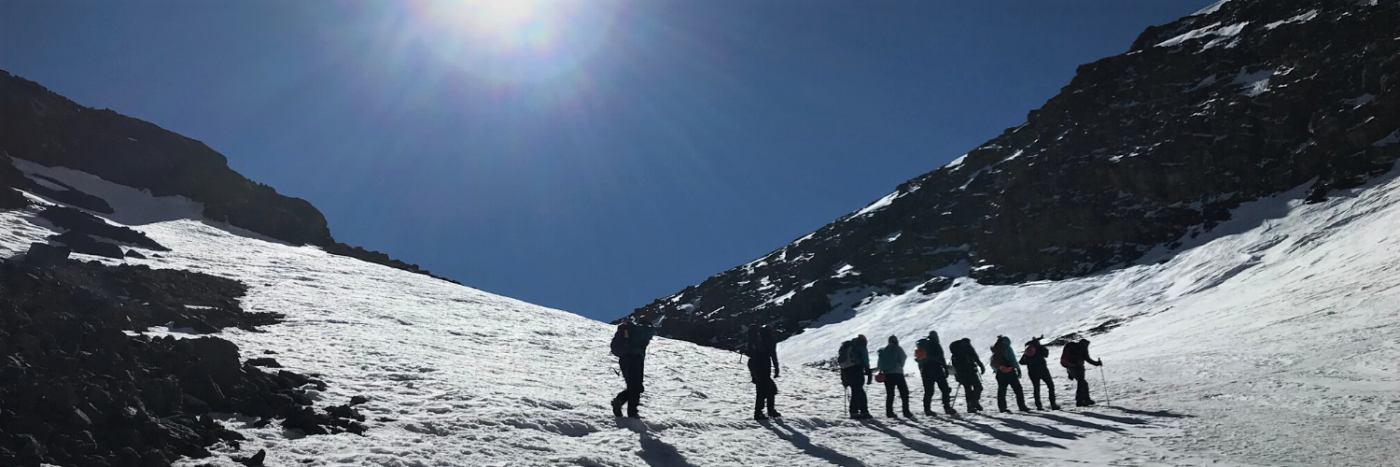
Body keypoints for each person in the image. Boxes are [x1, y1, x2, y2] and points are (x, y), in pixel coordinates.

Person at [610, 315, 656, 418]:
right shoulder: (645, 328)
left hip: (624, 359)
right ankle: (632, 411)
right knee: (636, 386)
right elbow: (649, 333)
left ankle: (620, 401)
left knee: (632, 385)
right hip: (635, 358)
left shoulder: (632, 329)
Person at [915, 331, 956, 416]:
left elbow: (920, 360)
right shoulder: (936, 344)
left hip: (925, 370)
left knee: (928, 391)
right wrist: (945, 369)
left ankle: (927, 409)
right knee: (944, 389)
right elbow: (941, 357)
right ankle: (947, 407)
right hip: (936, 369)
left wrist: (921, 371)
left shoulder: (923, 345)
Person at [746, 325, 781, 420]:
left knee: (763, 388)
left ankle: (766, 411)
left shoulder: (756, 339)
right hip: (764, 365)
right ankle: (761, 412)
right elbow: (773, 354)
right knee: (768, 389)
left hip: (754, 364)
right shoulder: (769, 338)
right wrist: (776, 368)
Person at [990, 336, 1030, 413]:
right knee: (1018, 389)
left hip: (1000, 373)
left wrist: (998, 369)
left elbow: (993, 362)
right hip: (1010, 371)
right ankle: (1022, 406)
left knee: (1002, 390)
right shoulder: (1007, 347)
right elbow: (1012, 359)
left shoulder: (995, 349)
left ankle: (1002, 408)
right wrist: (1017, 369)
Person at [877, 336, 913, 418]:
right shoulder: (898, 348)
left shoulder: (883, 350)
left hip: (887, 375)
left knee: (890, 394)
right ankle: (906, 411)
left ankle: (889, 412)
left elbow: (879, 364)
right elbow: (903, 357)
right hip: (898, 373)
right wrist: (900, 365)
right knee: (904, 393)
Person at [1019, 336, 1060, 410]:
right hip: (1043, 370)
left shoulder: (1028, 351)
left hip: (1032, 372)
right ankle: (1053, 404)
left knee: (1036, 388)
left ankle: (1038, 405)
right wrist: (1041, 346)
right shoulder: (1039, 349)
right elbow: (1046, 354)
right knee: (1050, 386)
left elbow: (1021, 362)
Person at [838, 335, 873, 419]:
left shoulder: (847, 346)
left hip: (846, 371)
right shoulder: (860, 345)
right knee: (857, 391)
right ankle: (857, 412)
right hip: (856, 369)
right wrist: (867, 370)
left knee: (857, 390)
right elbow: (865, 358)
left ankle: (861, 411)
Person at [1061, 339, 1103, 407]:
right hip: (1078, 368)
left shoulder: (1074, 347)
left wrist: (1069, 373)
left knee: (1083, 383)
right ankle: (1080, 401)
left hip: (1071, 368)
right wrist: (1097, 363)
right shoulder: (1082, 349)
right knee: (1081, 382)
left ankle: (1086, 399)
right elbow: (1088, 359)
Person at [949, 338, 985, 413]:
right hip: (971, 371)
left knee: (968, 389)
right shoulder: (968, 348)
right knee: (978, 387)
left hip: (961, 373)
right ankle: (974, 402)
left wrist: (957, 376)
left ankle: (971, 406)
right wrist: (981, 366)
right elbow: (975, 357)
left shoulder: (956, 352)